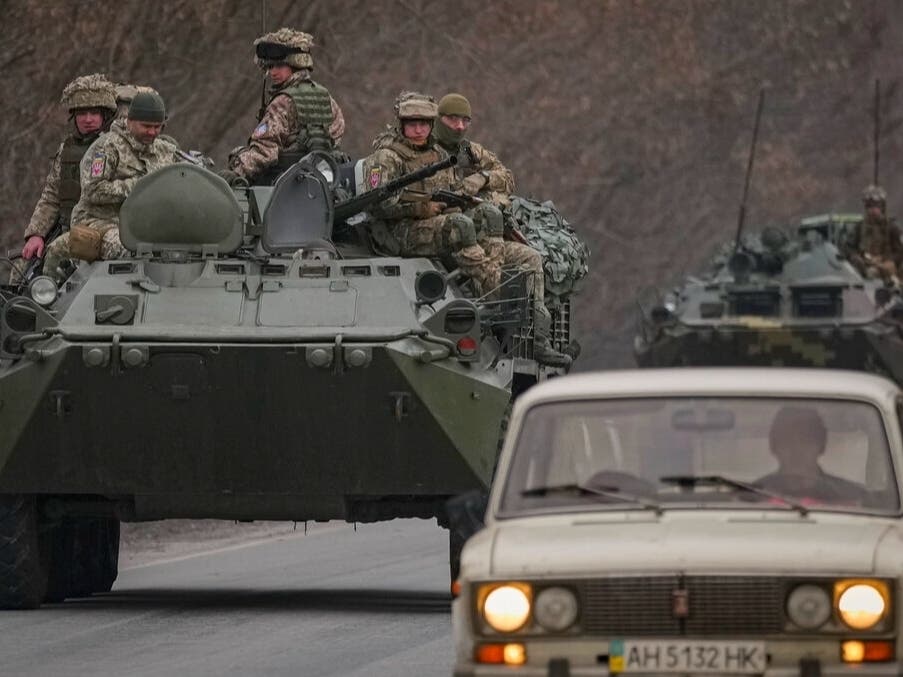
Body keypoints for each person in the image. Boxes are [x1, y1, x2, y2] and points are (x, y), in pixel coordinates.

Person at [432, 93, 571, 367]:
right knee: (485, 269)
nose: (459, 126)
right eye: (452, 119)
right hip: (450, 234)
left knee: (530, 258)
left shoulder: (470, 152)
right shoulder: (428, 152)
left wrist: (481, 177)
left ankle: (536, 340)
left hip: (484, 231)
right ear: (438, 120)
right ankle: (492, 313)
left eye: (464, 121)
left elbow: (506, 178)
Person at [43, 91, 182, 279]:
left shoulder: (165, 151)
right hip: (102, 222)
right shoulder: (106, 148)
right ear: (130, 121)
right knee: (131, 250)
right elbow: (94, 190)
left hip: (149, 224)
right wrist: (142, 186)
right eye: (146, 126)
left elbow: (185, 178)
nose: (152, 132)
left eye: (158, 127)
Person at [17, 74, 118, 277]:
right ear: (74, 116)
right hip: (66, 232)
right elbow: (51, 196)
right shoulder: (67, 150)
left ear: (105, 115)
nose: (88, 119)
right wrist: (36, 234)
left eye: (94, 113)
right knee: (22, 273)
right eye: (82, 113)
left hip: (104, 235)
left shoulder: (118, 148)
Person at [225, 27, 345, 185]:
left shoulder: (282, 102)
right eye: (269, 67)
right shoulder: (325, 96)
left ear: (295, 65)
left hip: (287, 185)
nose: (272, 72)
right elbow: (337, 133)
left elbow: (265, 150)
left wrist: (234, 172)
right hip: (326, 181)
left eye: (279, 66)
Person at [754, 406, 867, 504]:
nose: (796, 449)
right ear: (774, 445)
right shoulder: (752, 496)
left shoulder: (850, 497)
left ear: (821, 444)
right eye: (787, 440)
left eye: (805, 440)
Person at [842, 185, 903, 281]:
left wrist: (888, 260)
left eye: (876, 206)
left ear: (882, 207)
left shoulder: (892, 228)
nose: (872, 209)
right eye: (869, 206)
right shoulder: (859, 227)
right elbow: (848, 247)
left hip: (885, 268)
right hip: (864, 265)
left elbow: (899, 251)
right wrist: (854, 256)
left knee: (873, 274)